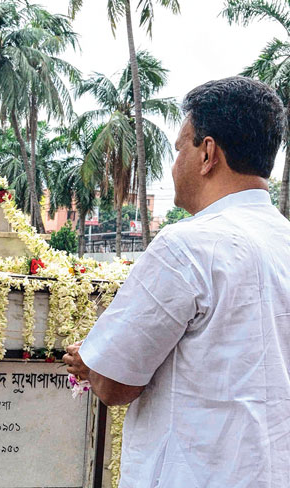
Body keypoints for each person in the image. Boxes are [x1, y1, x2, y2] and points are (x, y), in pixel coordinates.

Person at [64, 76, 290, 487]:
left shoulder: (187, 246)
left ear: (207, 153)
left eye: (178, 148)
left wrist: (88, 363)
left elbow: (115, 383)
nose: (173, 166)